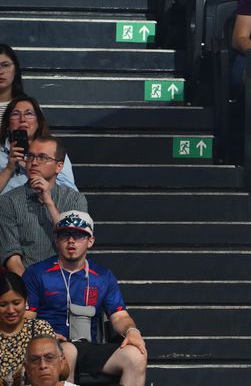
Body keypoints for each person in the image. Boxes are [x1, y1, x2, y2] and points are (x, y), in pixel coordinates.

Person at [23, 211, 148, 386]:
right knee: (67, 352)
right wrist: (44, 335)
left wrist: (132, 331)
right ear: (56, 239)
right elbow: (27, 317)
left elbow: (120, 316)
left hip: (88, 346)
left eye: (79, 235)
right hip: (51, 343)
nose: (71, 241)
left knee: (136, 356)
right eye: (65, 235)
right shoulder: (36, 273)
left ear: (90, 241)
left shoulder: (103, 276)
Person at [0, 137, 87, 275]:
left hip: (67, 281)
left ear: (59, 166)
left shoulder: (75, 199)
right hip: (26, 285)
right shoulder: (8, 201)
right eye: (31, 156)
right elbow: (12, 258)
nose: (34, 162)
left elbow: (76, 245)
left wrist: (49, 202)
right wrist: (33, 291)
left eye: (42, 157)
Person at [1, 96, 79, 194]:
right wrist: (9, 168)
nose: (22, 119)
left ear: (38, 123)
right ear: (8, 123)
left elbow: (70, 193)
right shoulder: (1, 153)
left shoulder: (53, 151)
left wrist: (32, 167)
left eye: (29, 114)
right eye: (16, 114)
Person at [0, 272, 58, 383]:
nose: (11, 310)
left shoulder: (39, 328)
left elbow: (58, 368)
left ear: (26, 301)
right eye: (3, 305)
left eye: (16, 303)